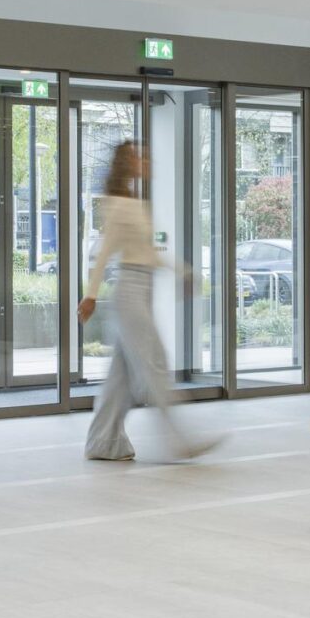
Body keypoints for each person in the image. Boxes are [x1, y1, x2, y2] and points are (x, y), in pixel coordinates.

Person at [79, 141, 222, 462]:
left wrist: (184, 273)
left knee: (120, 379)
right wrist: (90, 296)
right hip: (130, 293)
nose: (147, 161)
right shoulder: (119, 205)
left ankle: (102, 442)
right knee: (155, 366)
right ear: (127, 164)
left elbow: (149, 254)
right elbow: (104, 252)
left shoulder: (134, 203)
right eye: (140, 157)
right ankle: (182, 440)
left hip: (140, 289)